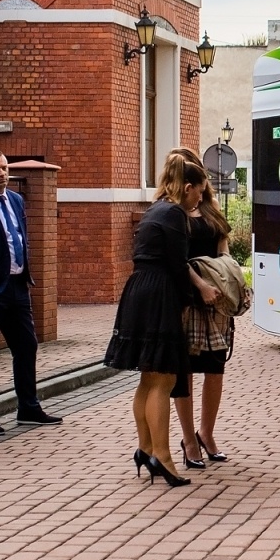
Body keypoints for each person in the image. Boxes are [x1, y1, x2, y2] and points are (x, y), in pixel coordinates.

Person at [105, 157, 220, 488]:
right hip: (159, 293)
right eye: (199, 192)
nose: (200, 198)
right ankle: (164, 457)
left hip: (140, 288)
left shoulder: (156, 208)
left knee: (148, 378)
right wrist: (191, 298)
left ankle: (145, 448)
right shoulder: (173, 213)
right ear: (187, 188)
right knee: (164, 380)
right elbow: (177, 264)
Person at [0, 149, 61, 434]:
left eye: (4, 168)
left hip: (18, 285)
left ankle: (28, 408)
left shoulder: (16, 199)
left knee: (27, 345)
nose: (2, 174)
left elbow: (18, 237)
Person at [168, 147, 232, 470]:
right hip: (187, 302)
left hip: (215, 303)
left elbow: (224, 248)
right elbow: (175, 260)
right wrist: (200, 285)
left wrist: (228, 277)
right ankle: (188, 440)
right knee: (186, 373)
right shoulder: (171, 211)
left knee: (215, 368)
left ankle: (206, 432)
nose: (202, 187)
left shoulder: (211, 211)